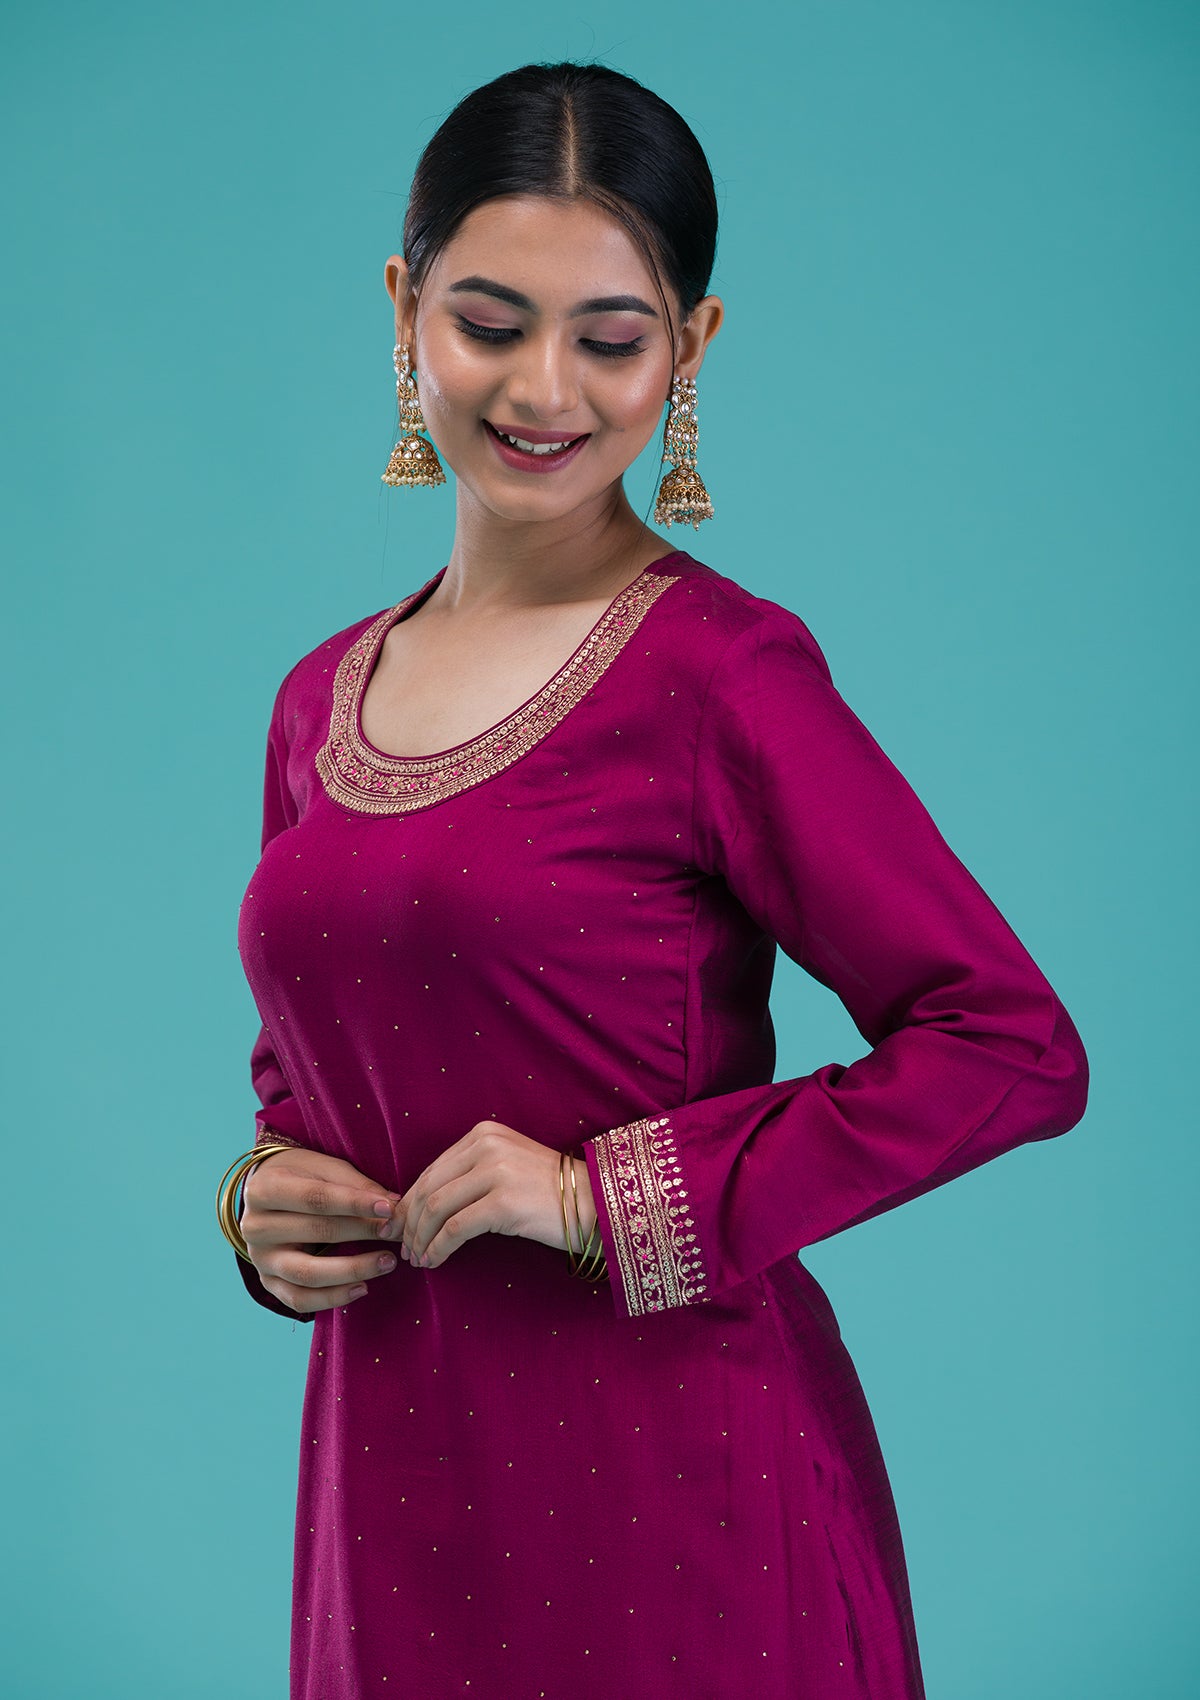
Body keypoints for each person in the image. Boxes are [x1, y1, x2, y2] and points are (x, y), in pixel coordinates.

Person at [218, 61, 1089, 1700]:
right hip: (392, 1490)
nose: (543, 386)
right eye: (489, 322)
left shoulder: (721, 677)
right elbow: (309, 1075)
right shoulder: (318, 698)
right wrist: (267, 1206)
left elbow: (1011, 1046)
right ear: (404, 311)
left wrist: (605, 1200)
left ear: (690, 348)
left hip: (677, 1495)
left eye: (611, 339)